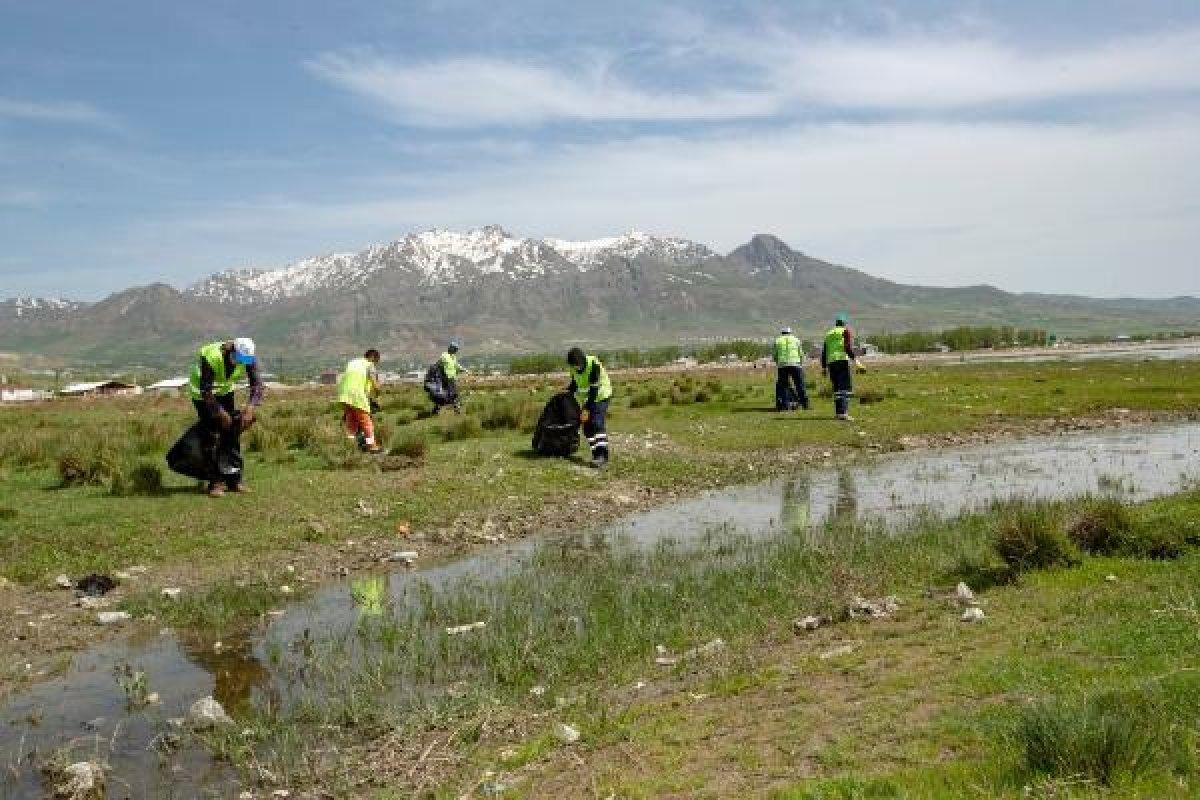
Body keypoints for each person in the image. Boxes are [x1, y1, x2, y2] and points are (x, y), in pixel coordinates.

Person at [186, 337, 264, 496]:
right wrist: (221, 413)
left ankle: (234, 480)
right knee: (211, 435)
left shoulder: (248, 357)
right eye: (239, 359)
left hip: (224, 392)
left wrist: (250, 407)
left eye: (244, 360)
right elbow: (206, 391)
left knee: (231, 433)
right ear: (231, 350)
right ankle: (216, 483)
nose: (241, 363)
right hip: (202, 396)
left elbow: (257, 385)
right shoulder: (211, 356)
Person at [566, 347, 612, 467]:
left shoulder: (594, 365)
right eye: (574, 366)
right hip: (588, 399)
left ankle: (602, 456)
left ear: (583, 360)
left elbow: (594, 390)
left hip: (601, 395)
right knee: (587, 428)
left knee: (597, 423)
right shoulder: (573, 367)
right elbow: (575, 383)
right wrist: (567, 392)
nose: (577, 368)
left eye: (578, 365)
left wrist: (586, 409)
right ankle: (596, 454)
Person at [337, 349, 382, 453]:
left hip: (344, 394)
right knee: (366, 422)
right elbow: (375, 385)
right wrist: (378, 394)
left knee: (351, 422)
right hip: (356, 394)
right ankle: (372, 446)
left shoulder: (353, 362)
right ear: (373, 358)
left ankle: (350, 446)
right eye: (376, 361)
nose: (375, 364)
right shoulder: (369, 365)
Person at [821, 315, 858, 420]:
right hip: (842, 361)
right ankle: (843, 413)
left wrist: (824, 367)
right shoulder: (845, 331)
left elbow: (824, 352)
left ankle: (838, 412)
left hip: (831, 363)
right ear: (844, 323)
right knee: (844, 388)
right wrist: (855, 359)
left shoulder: (829, 334)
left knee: (837, 388)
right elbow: (847, 347)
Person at [773, 325, 809, 411]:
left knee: (784, 386)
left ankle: (785, 406)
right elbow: (801, 353)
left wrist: (778, 363)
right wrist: (801, 364)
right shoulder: (796, 340)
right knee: (800, 385)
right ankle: (805, 405)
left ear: (782, 333)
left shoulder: (777, 341)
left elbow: (775, 355)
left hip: (782, 365)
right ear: (790, 332)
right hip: (795, 364)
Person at [430, 340, 464, 414]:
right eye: (455, 349)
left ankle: (437, 409)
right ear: (451, 348)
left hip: (452, 378)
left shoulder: (453, 357)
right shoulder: (444, 356)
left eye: (456, 350)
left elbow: (456, 365)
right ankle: (456, 408)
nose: (456, 351)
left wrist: (462, 369)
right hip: (445, 378)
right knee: (451, 394)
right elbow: (438, 364)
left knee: (450, 394)